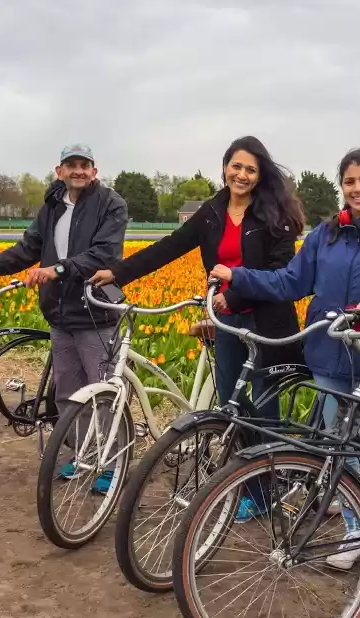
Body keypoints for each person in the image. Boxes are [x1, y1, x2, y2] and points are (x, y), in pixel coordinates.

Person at [210, 147, 360, 559]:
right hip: (329, 355)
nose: (357, 188)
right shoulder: (325, 235)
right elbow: (289, 282)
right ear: (342, 186)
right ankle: (354, 529)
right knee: (339, 452)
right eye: (350, 182)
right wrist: (238, 277)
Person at [89, 135, 306, 521]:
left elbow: (279, 271)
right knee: (230, 405)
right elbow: (168, 247)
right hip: (227, 320)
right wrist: (118, 273)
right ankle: (247, 481)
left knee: (264, 407)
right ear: (225, 167)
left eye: (250, 169)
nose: (242, 175)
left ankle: (268, 487)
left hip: (266, 322)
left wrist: (233, 295)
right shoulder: (211, 212)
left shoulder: (274, 215)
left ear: (260, 176)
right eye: (236, 166)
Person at [0, 143, 128, 493]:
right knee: (68, 395)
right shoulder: (52, 206)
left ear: (94, 171)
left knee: (104, 395)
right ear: (59, 171)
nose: (78, 170)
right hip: (60, 314)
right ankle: (84, 455)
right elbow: (27, 250)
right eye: (71, 165)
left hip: (96, 312)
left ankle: (112, 465)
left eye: (84, 165)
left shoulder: (111, 204)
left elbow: (104, 254)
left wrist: (57, 269)